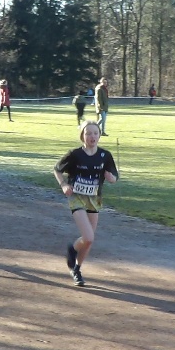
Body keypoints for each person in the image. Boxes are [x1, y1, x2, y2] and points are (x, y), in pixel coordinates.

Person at [53, 121, 119, 287]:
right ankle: (73, 250)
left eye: (95, 133)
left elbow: (114, 175)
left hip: (94, 199)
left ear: (99, 135)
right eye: (88, 133)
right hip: (77, 197)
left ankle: (76, 268)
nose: (92, 136)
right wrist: (64, 185)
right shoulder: (75, 154)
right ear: (82, 135)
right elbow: (57, 169)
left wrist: (112, 178)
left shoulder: (105, 155)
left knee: (89, 240)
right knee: (88, 236)